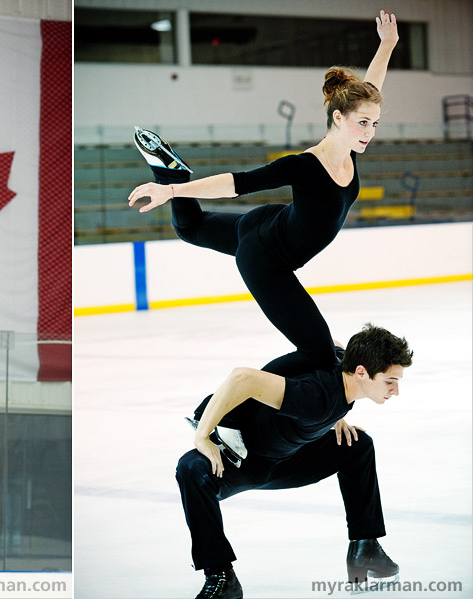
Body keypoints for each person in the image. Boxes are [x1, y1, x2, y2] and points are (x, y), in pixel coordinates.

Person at [128, 11, 400, 377]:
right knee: (319, 352)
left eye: (374, 124)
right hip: (267, 260)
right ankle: (233, 407)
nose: (369, 131)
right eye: (363, 123)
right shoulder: (305, 165)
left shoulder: (349, 149)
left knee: (190, 228)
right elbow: (237, 183)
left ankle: (168, 167)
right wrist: (173, 192)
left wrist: (387, 44)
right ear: (338, 118)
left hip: (268, 225)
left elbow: (371, 90)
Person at [175, 323, 413, 599]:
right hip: (246, 464)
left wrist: (337, 417)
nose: (395, 391)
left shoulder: (342, 367)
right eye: (389, 381)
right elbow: (243, 378)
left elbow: (336, 344)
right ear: (361, 372)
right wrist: (202, 435)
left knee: (356, 445)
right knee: (191, 469)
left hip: (289, 458)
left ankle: (365, 550)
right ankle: (221, 575)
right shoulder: (314, 399)